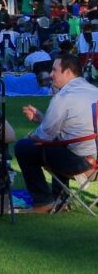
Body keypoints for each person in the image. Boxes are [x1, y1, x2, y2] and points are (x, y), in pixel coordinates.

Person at [15, 53, 98, 212]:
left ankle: (43, 201)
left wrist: (30, 136)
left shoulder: (64, 97)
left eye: (54, 70)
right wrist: (42, 118)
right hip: (94, 160)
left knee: (24, 147)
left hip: (82, 165)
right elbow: (74, 129)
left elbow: (43, 137)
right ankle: (61, 198)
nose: (51, 74)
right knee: (62, 144)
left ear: (67, 72)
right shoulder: (94, 91)